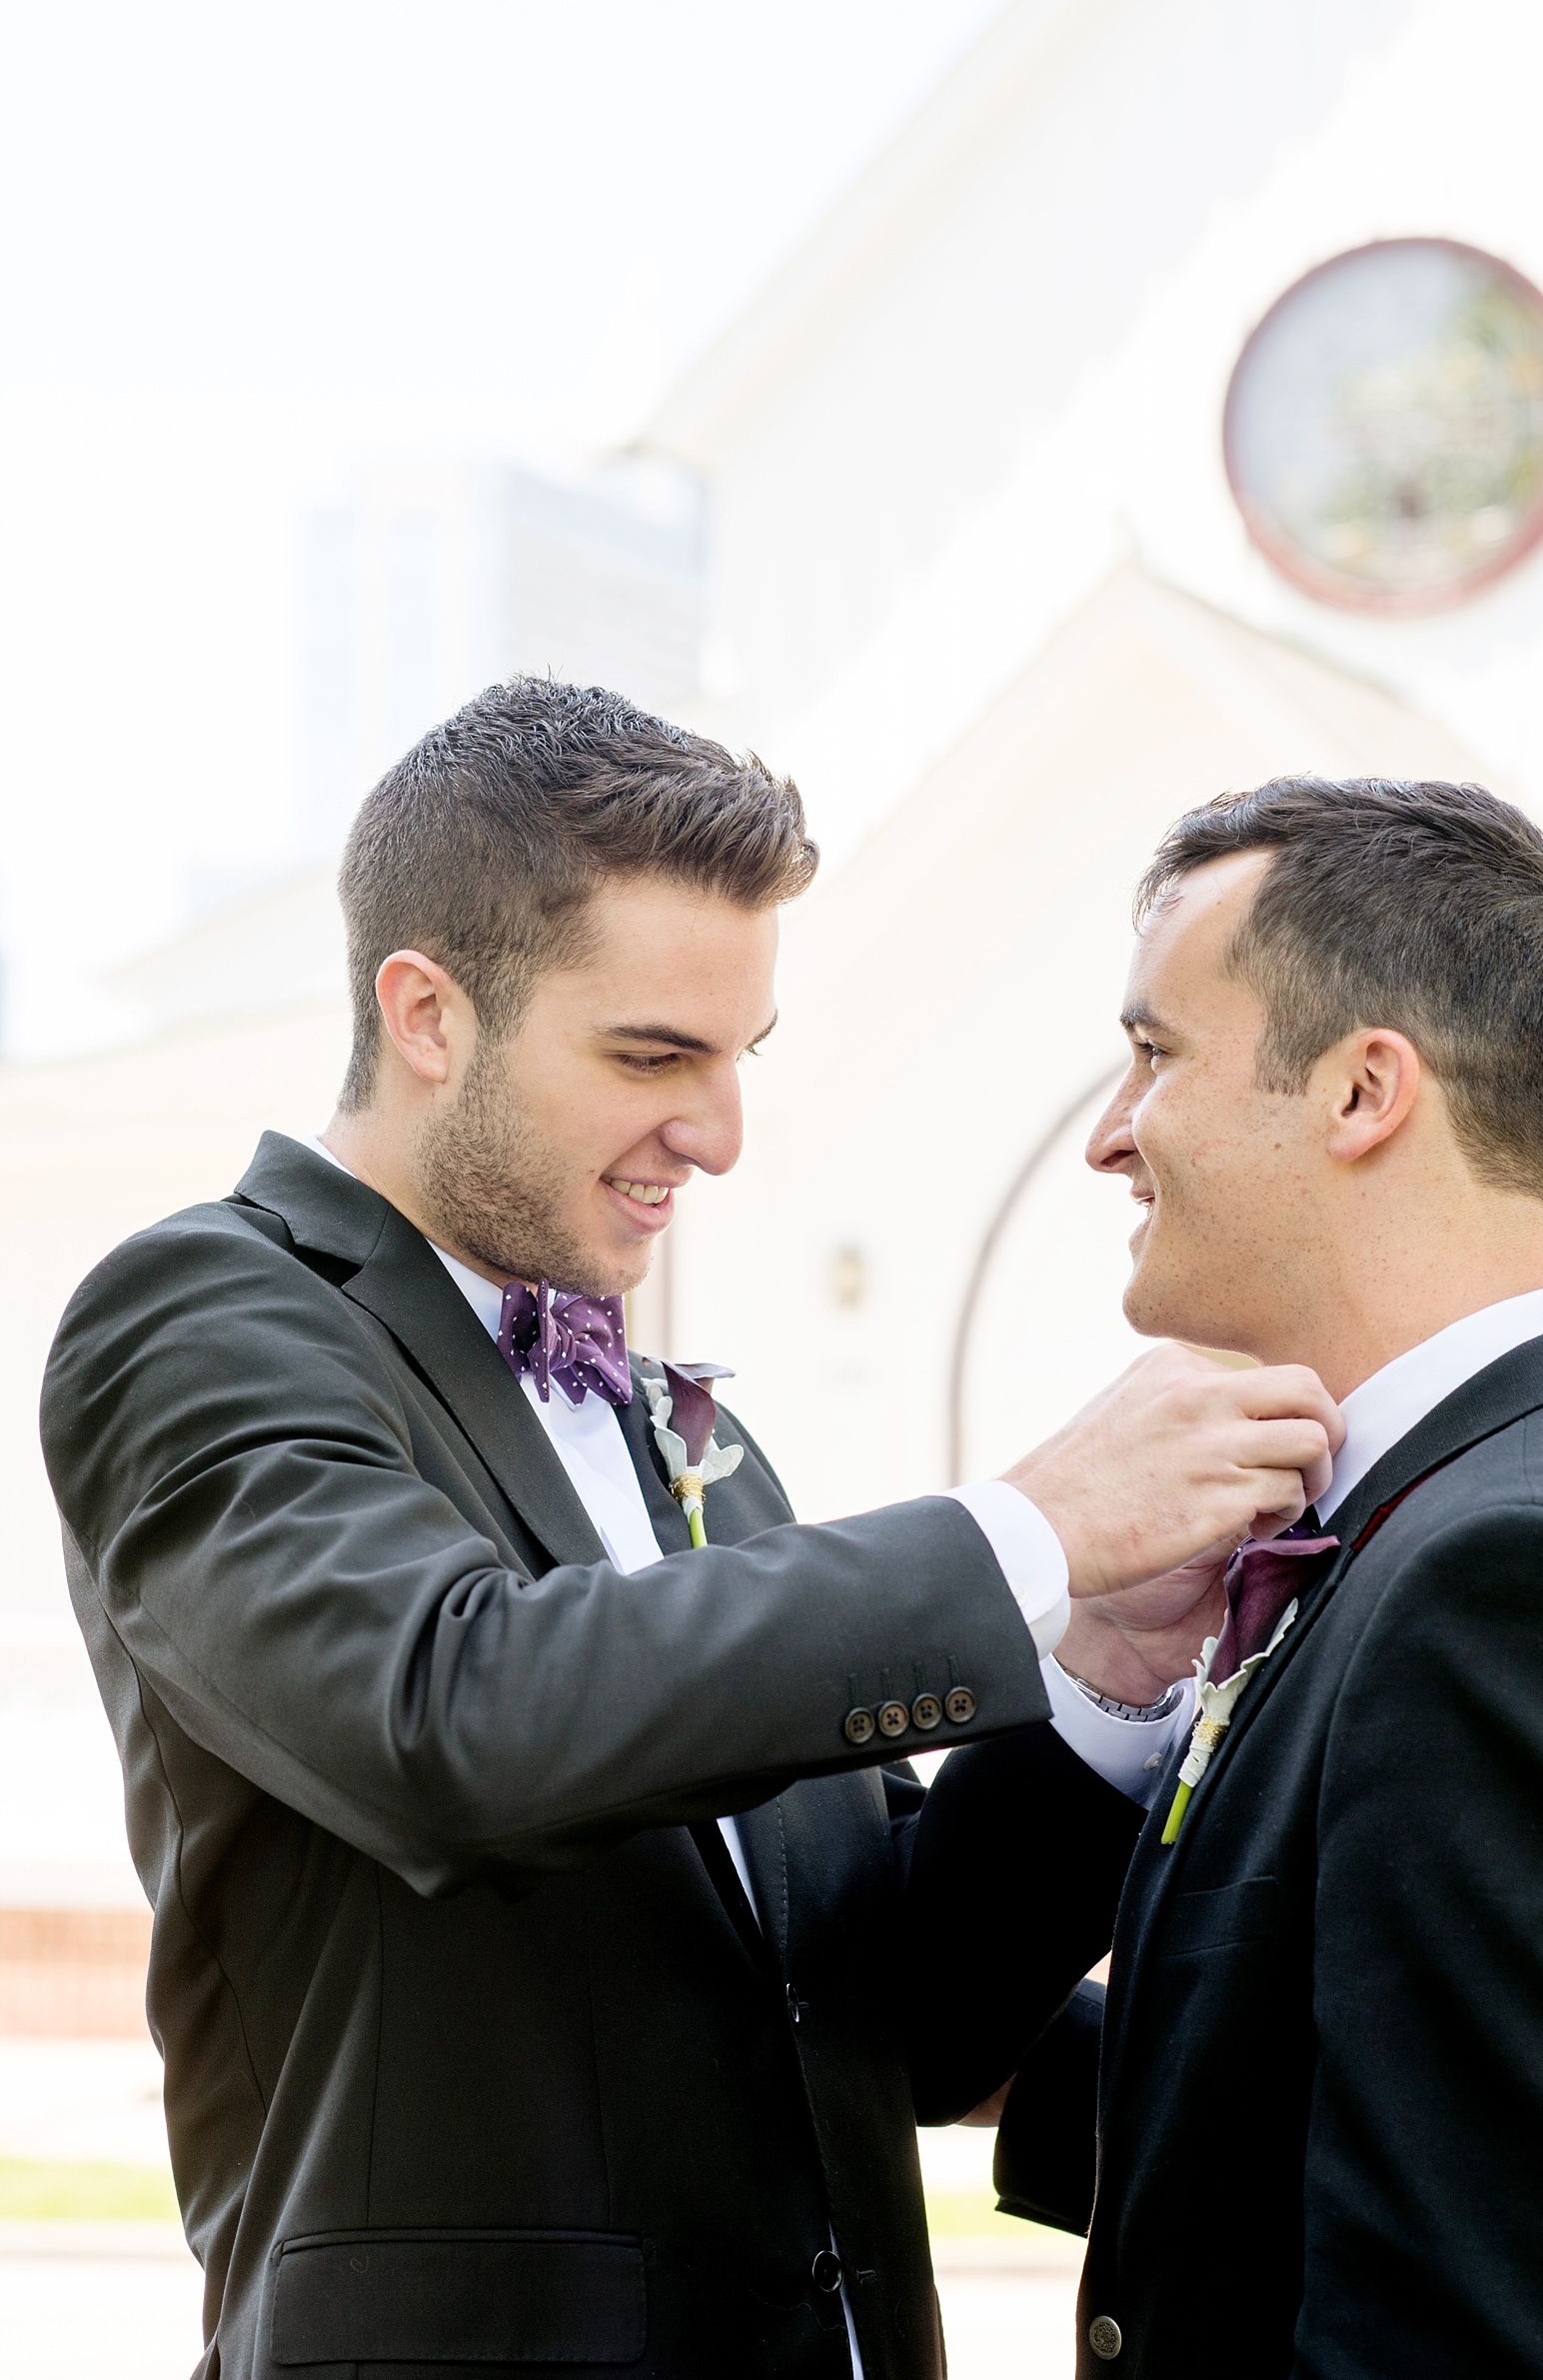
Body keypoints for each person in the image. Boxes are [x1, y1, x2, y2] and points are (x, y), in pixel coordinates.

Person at [41, 683, 1340, 2380]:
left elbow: (906, 2013)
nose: (718, 1136)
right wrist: (1026, 1533)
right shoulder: (205, 1313)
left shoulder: (687, 1441)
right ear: (429, 1013)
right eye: (654, 1055)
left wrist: (1102, 1671)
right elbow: (453, 1718)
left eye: (739, 1058)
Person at [991, 775, 1543, 2380]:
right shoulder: (1526, 1514)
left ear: (1364, 1090)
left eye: (1157, 1053)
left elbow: (1477, 2323)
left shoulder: (1510, 1584)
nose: (1112, 1132)